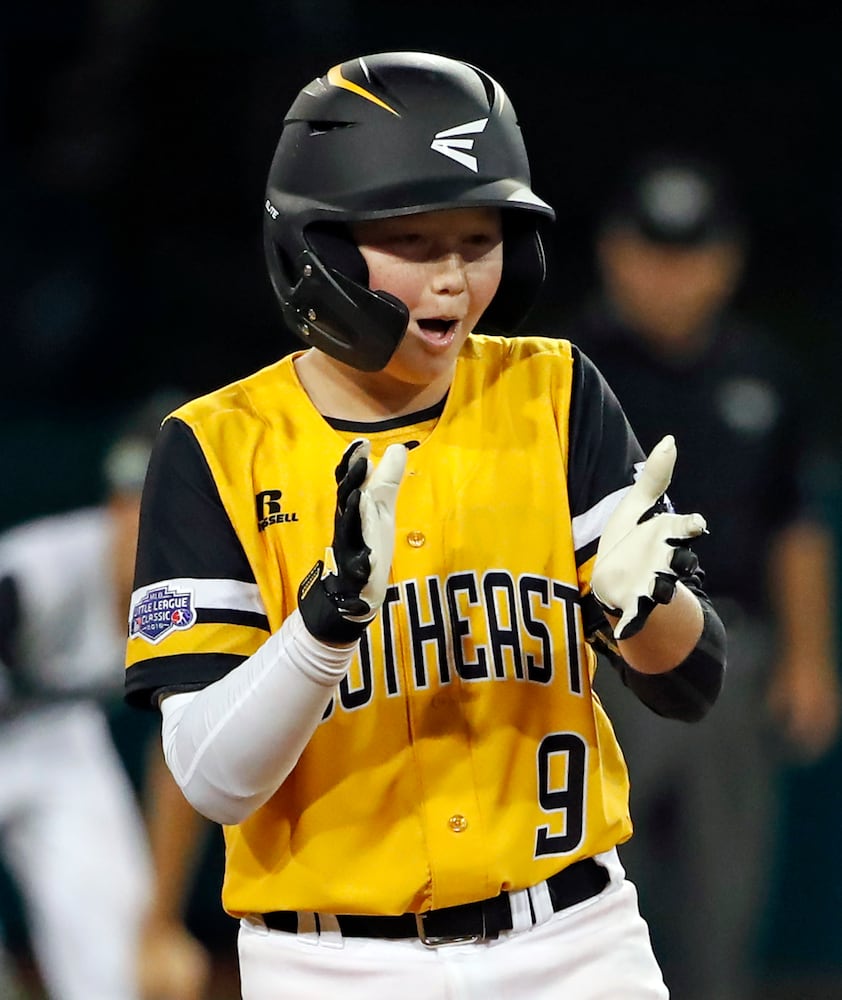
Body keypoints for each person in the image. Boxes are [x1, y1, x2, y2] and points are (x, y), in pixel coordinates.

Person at [123, 51, 727, 1000]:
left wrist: (649, 608)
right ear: (315, 246)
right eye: (413, 241)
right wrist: (323, 626)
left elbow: (691, 681)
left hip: (575, 942)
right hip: (329, 963)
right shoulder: (217, 445)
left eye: (479, 239)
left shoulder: (551, 392)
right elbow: (213, 782)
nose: (453, 280)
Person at [566, 150, 840, 1000]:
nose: (669, 275)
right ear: (615, 253)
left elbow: (796, 527)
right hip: (602, 649)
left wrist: (810, 660)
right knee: (598, 884)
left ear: (725, 261)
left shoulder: (764, 375)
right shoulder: (566, 371)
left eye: (689, 253)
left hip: (735, 649)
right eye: (652, 251)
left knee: (723, 895)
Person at [0, 391, 213, 1000]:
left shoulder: (194, 594)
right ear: (118, 504)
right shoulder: (36, 574)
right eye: (140, 507)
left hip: (54, 739)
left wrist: (159, 923)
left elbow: (181, 763)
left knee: (127, 976)